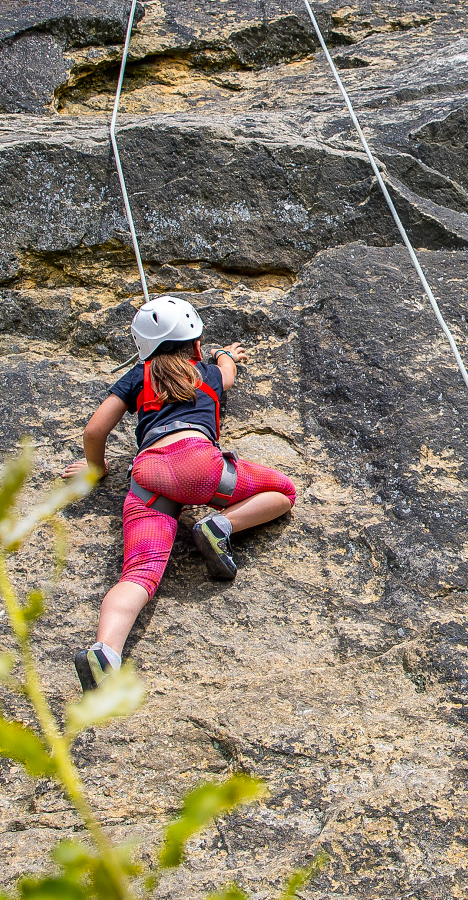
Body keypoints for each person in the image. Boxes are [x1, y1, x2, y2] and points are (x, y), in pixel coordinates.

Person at [64, 296, 296, 690]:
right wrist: (227, 354)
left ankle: (105, 651)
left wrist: (96, 468)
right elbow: (227, 374)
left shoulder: (137, 376)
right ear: (197, 344)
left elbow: (94, 430)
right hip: (200, 464)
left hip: (149, 475)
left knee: (139, 572)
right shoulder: (205, 370)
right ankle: (220, 526)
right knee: (283, 491)